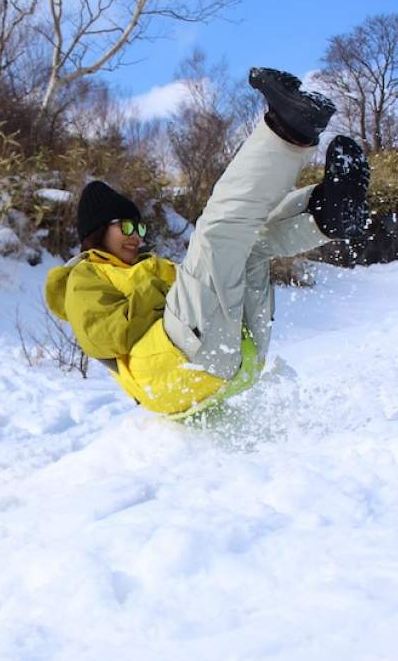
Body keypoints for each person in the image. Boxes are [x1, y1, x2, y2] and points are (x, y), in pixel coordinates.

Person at [44, 67, 371, 415]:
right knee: (217, 234)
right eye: (125, 227)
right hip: (168, 372)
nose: (136, 237)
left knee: (246, 245)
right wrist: (160, 292)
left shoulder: (151, 267)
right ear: (96, 232)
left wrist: (166, 286)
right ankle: (289, 130)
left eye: (139, 229)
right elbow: (105, 336)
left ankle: (325, 213)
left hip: (231, 360)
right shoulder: (83, 278)